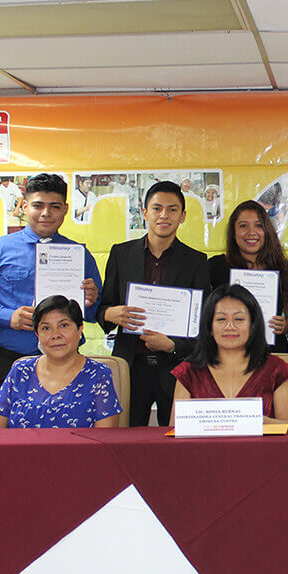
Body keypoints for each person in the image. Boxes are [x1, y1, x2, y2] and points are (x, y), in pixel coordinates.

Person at [0, 173, 102, 404]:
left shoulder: (79, 255)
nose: (46, 213)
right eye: (38, 206)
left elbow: (94, 315)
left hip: (68, 364)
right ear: (24, 207)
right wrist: (7, 317)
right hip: (11, 362)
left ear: (65, 209)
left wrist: (91, 302)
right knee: (7, 439)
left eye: (54, 206)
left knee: (66, 437)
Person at [99, 180, 211, 426]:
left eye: (172, 209)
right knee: (125, 443)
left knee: (176, 444)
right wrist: (111, 314)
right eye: (157, 208)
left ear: (182, 216)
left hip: (176, 369)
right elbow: (103, 308)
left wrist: (172, 345)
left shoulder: (196, 261)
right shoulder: (120, 254)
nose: (164, 215)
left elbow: (202, 323)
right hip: (130, 366)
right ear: (145, 212)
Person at [0, 295, 120, 429]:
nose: (55, 335)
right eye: (46, 328)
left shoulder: (98, 374)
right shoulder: (21, 370)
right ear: (37, 334)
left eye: (64, 325)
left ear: (80, 329)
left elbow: (104, 442)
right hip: (22, 451)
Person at [172, 285, 288, 424]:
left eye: (239, 319)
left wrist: (254, 421)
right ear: (209, 327)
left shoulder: (276, 369)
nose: (229, 326)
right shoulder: (188, 371)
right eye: (221, 319)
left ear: (253, 325)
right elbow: (176, 431)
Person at [208, 200, 288, 353]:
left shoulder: (281, 268)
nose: (251, 232)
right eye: (243, 226)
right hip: (226, 355)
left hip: (271, 353)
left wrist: (285, 325)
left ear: (267, 231)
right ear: (233, 232)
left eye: (258, 225)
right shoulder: (215, 266)